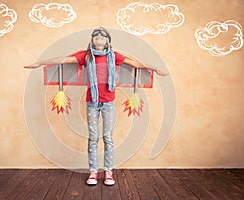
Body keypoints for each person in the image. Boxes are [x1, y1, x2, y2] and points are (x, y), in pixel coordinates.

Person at [24, 27, 167, 186]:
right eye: (96, 35)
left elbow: (134, 63)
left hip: (108, 102)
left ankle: (108, 171)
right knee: (93, 138)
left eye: (103, 36)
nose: (99, 37)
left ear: (108, 41)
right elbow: (62, 60)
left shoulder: (114, 56)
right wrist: (39, 63)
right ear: (92, 40)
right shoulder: (86, 56)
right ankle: (93, 171)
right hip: (92, 102)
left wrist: (155, 68)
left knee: (108, 138)